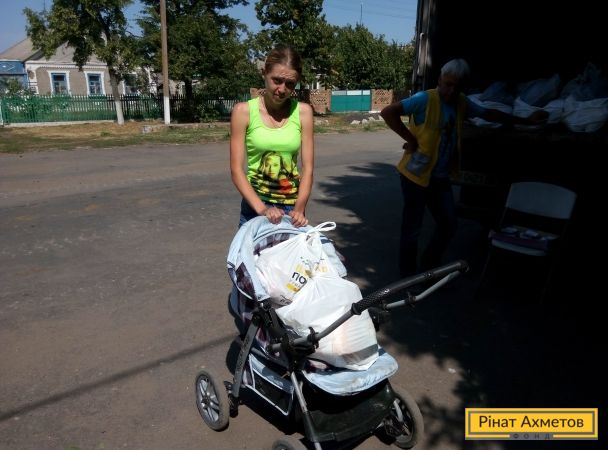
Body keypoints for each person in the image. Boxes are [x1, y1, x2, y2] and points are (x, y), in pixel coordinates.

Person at [380, 58, 548, 277]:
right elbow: (388, 112)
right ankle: (408, 277)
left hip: (439, 178)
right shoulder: (425, 99)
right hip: (415, 176)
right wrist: (410, 139)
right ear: (440, 80)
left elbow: (489, 114)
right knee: (412, 230)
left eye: (457, 87)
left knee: (448, 225)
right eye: (448, 84)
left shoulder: (461, 102)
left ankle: (428, 268)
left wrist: (526, 121)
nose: (451, 91)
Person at [230, 45, 314, 228]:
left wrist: (299, 209)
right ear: (264, 74)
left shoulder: (303, 113)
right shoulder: (243, 112)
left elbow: (308, 169)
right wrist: (262, 209)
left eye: (290, 84)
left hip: (292, 208)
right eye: (277, 80)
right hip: (255, 206)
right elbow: (236, 170)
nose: (282, 89)